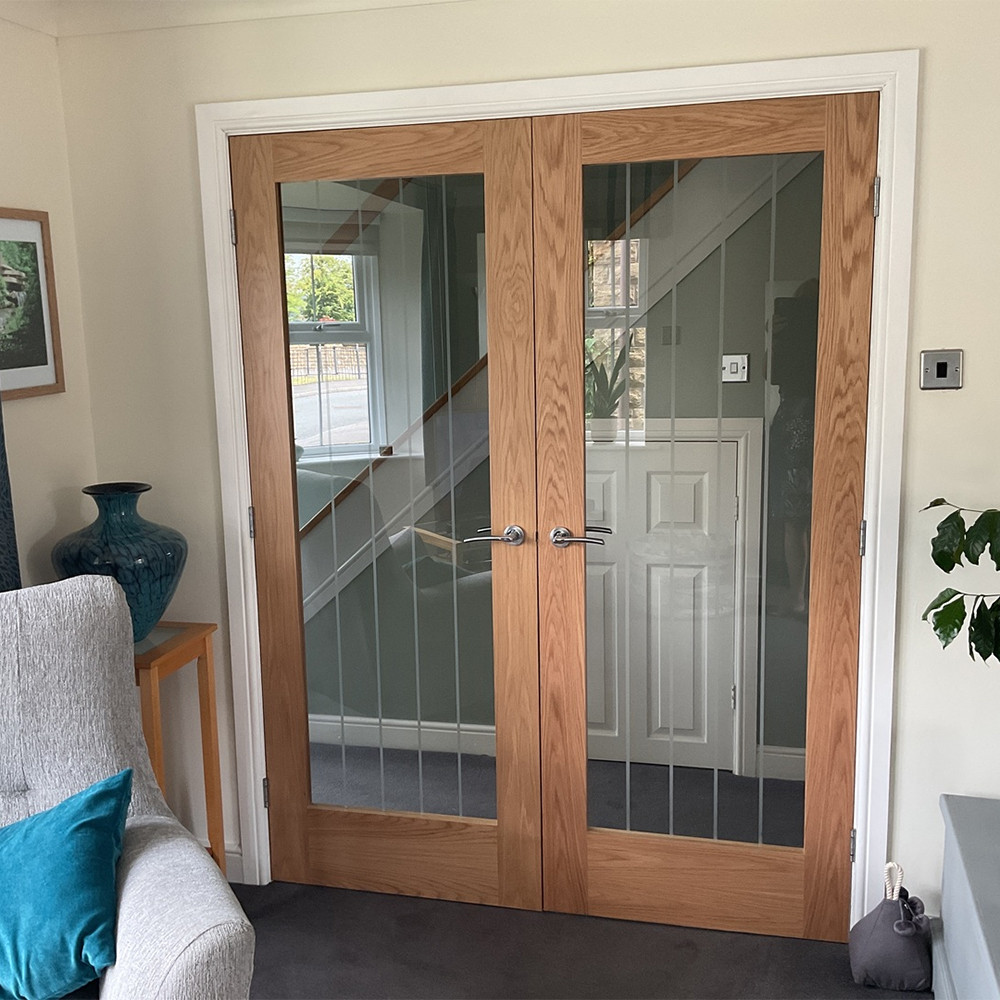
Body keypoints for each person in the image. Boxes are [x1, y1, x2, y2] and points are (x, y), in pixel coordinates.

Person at [769, 279, 819, 616]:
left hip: (806, 422)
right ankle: (800, 597)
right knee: (797, 518)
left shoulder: (836, 330)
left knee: (800, 519)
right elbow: (770, 374)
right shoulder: (786, 336)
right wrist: (774, 337)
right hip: (797, 423)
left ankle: (804, 596)